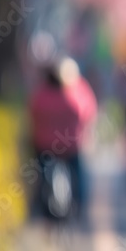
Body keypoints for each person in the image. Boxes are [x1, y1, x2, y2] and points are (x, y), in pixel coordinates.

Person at [29, 57, 98, 218]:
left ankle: (39, 205)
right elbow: (88, 112)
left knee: (41, 174)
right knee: (78, 173)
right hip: (71, 143)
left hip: (44, 143)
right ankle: (79, 203)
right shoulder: (78, 90)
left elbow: (33, 112)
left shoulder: (42, 92)